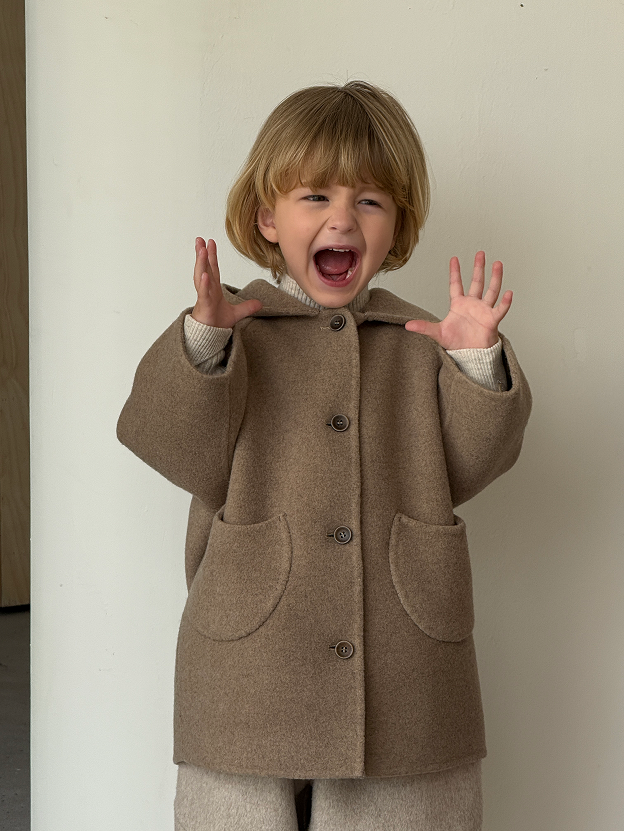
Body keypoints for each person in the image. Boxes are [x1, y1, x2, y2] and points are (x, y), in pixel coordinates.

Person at [117, 80, 532, 831]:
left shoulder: (420, 341)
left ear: (395, 225)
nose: (342, 217)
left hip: (405, 671)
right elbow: (176, 447)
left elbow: (471, 467)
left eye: (369, 200)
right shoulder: (235, 334)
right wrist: (204, 342)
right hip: (250, 666)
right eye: (315, 196)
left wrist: (475, 362)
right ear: (265, 218)